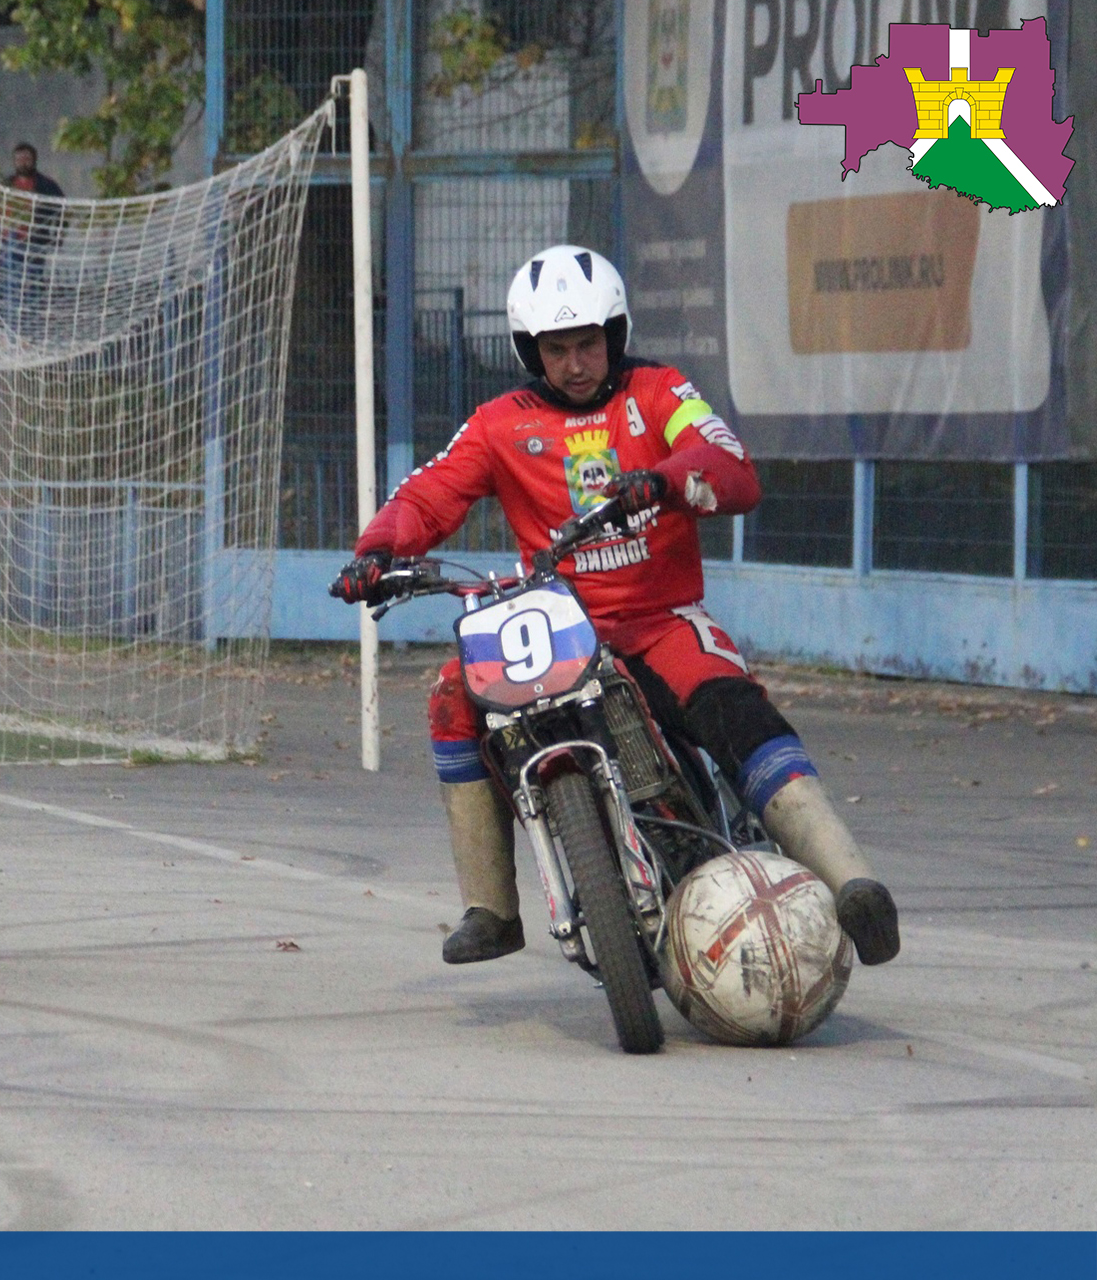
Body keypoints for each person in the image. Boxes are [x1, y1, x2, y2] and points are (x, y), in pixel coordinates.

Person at [331, 244, 900, 969]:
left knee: (732, 703)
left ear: (616, 336)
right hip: (556, 626)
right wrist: (376, 551)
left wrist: (662, 482)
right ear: (530, 351)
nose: (575, 363)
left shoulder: (660, 393)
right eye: (557, 349)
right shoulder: (498, 423)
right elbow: (427, 495)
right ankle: (492, 908)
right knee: (453, 693)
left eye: (589, 344)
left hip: (662, 620)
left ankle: (854, 886)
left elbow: (732, 468)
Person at [0, 143, 65, 336]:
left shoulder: (46, 186)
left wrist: (56, 235)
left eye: (26, 159)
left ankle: (29, 333)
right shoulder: (7, 184)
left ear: (34, 160)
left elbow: (61, 208)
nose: (22, 163)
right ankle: (10, 333)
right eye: (19, 159)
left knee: (33, 286)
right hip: (10, 241)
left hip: (35, 243)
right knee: (10, 285)